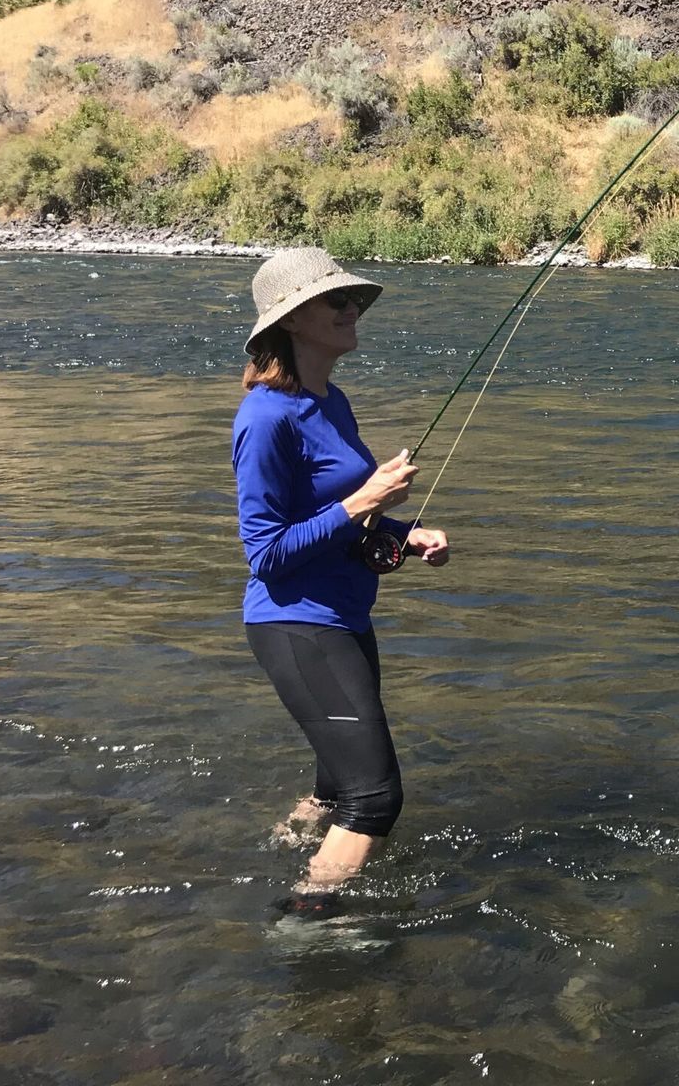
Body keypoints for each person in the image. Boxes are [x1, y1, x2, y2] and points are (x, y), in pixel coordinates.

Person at [231, 246, 450, 911]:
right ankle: (306, 923)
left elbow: (342, 518)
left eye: (352, 298)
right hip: (295, 625)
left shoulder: (333, 402)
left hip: (345, 619)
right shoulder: (265, 419)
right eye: (336, 300)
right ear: (293, 320)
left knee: (333, 787)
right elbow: (265, 553)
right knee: (374, 797)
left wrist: (403, 536)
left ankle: (281, 852)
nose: (351, 309)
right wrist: (365, 503)